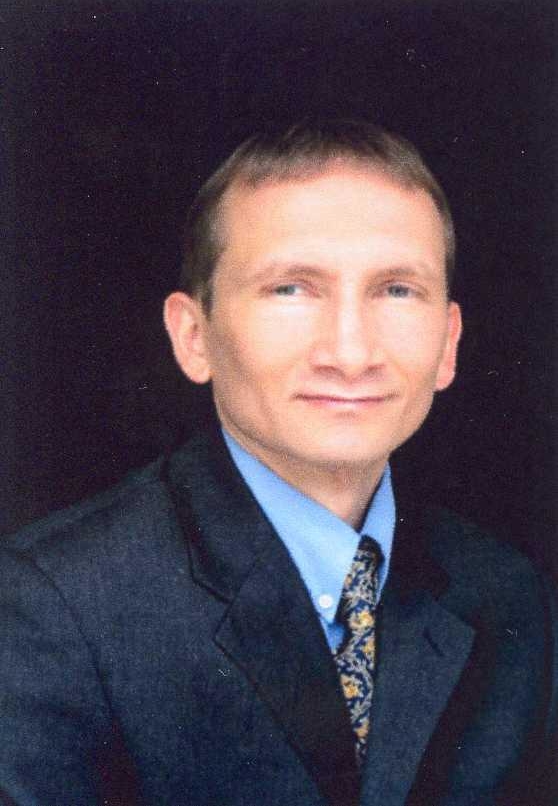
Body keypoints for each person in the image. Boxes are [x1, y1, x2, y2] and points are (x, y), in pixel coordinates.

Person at [0, 119, 555, 806]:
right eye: (291, 288)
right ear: (193, 336)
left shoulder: (508, 594)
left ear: (448, 343)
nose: (350, 353)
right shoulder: (51, 608)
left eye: (396, 289)